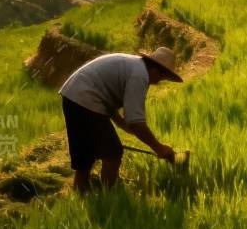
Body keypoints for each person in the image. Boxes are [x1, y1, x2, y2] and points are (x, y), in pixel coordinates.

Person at [60, 47, 183, 192]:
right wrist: (159, 148)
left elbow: (106, 96)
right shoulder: (139, 75)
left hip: (72, 96)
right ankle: (108, 195)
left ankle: (81, 196)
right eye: (162, 78)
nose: (159, 81)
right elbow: (136, 122)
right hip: (86, 100)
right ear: (156, 70)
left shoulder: (134, 66)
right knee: (113, 153)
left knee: (85, 159)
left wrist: (121, 124)